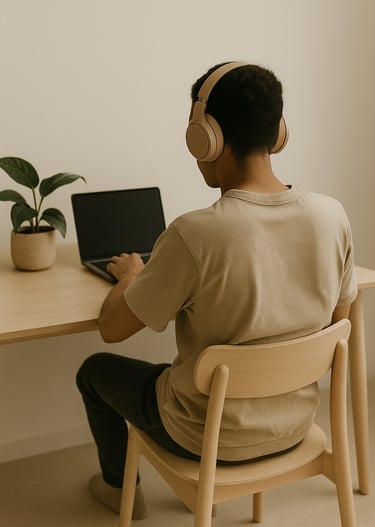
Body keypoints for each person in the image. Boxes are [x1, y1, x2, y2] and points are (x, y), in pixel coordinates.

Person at [76, 61, 357, 518]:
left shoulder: (195, 235)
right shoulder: (333, 216)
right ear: (277, 132)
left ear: (206, 136)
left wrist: (130, 276)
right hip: (295, 426)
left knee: (93, 370)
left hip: (204, 437)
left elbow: (111, 329)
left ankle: (115, 490)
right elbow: (337, 324)